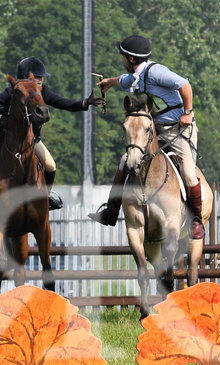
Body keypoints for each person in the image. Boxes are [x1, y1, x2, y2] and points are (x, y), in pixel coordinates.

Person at [0, 56, 104, 213]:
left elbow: (64, 103)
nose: (41, 80)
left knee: (50, 164)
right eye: (38, 76)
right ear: (26, 77)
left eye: (42, 77)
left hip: (26, 138)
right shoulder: (13, 92)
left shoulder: (43, 92)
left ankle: (47, 196)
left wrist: (85, 103)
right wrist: (0, 118)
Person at [88, 35, 205, 239]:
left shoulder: (156, 73)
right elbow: (122, 81)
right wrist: (109, 83)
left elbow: (185, 85)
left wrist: (188, 112)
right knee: (126, 160)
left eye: (123, 56)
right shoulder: (136, 76)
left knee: (187, 171)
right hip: (154, 129)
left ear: (131, 59)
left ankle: (196, 219)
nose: (122, 59)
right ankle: (111, 211)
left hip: (178, 127)